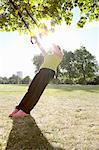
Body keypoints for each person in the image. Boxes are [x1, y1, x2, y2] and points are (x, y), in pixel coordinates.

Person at [9, 26, 63, 118]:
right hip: (41, 71)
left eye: (55, 48)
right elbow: (41, 48)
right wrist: (36, 39)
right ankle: (19, 108)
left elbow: (54, 45)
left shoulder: (59, 55)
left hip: (49, 72)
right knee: (31, 90)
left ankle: (25, 111)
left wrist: (46, 34)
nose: (53, 48)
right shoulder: (48, 55)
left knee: (37, 91)